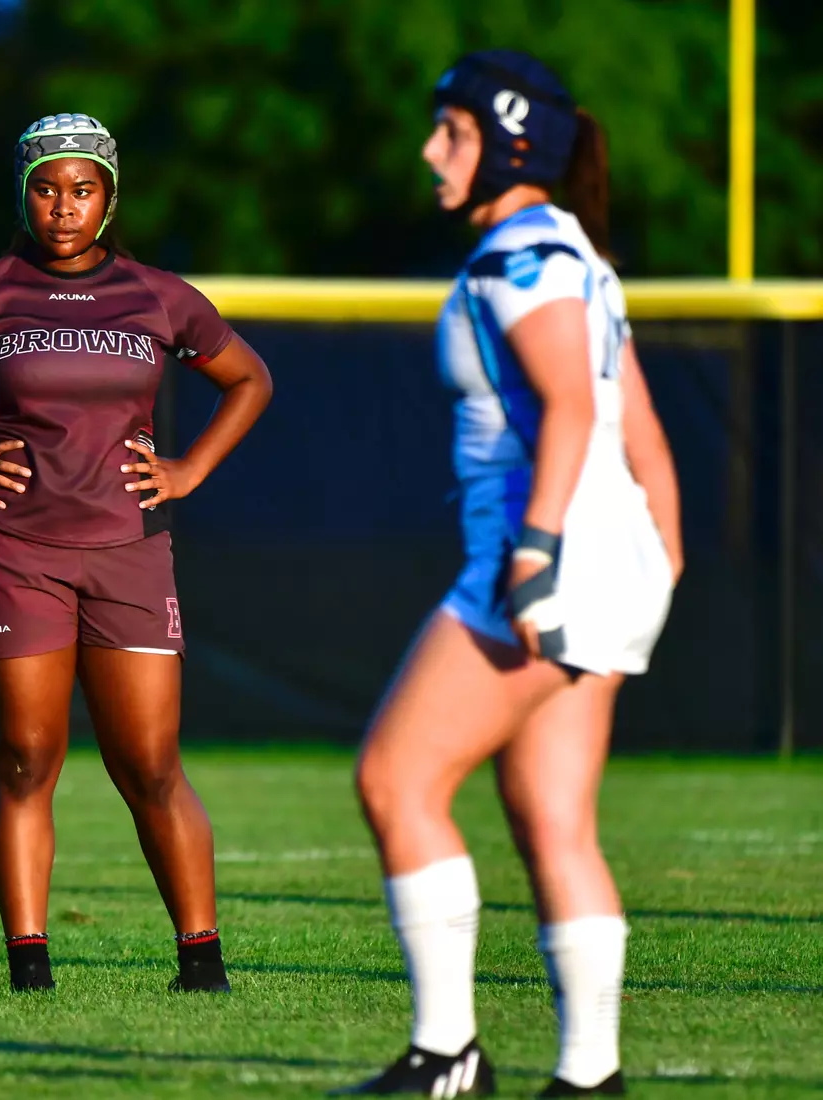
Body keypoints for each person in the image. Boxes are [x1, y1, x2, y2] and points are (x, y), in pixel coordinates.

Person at [0, 113, 273, 994]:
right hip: (15, 549)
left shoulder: (159, 296)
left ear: (108, 199)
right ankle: (29, 968)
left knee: (150, 764)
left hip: (129, 552)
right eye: (47, 188)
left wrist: (190, 469)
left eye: (82, 190)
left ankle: (202, 963)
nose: (63, 207)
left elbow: (249, 378)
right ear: (24, 194)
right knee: (27, 758)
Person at [342, 51, 681, 1097]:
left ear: (509, 139)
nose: (430, 150)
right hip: (605, 564)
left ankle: (448, 1052)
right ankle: (592, 1074)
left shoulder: (515, 258)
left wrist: (534, 558)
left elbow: (578, 415)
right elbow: (649, 438)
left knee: (396, 779)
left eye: (452, 130)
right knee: (552, 817)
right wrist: (660, 567)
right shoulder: (570, 248)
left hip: (541, 560)